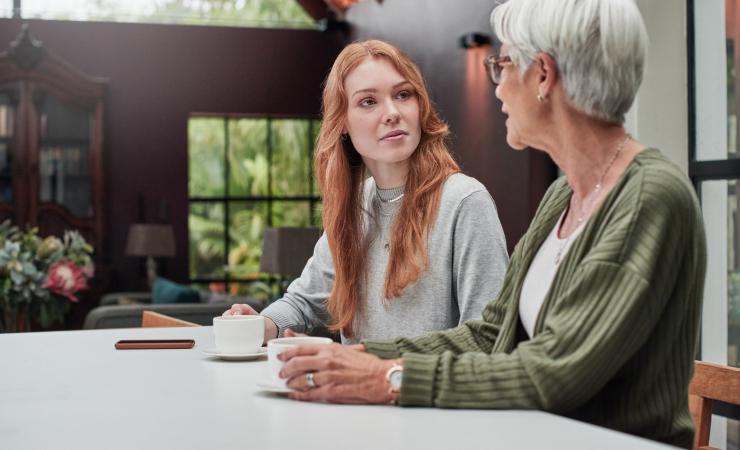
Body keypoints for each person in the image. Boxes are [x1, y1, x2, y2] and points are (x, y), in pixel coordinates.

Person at [276, 1, 706, 448]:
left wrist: (390, 376)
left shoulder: (648, 198)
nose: (496, 86)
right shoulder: (566, 194)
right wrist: (360, 358)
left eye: (502, 64)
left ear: (542, 76)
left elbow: (554, 373)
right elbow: (490, 332)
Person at [224, 40, 509, 345]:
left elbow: (487, 338)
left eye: (403, 95)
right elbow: (304, 301)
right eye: (368, 101)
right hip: (349, 393)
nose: (392, 112)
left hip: (422, 392)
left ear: (420, 105)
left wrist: (379, 370)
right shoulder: (356, 204)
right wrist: (261, 323)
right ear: (342, 122)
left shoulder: (464, 201)